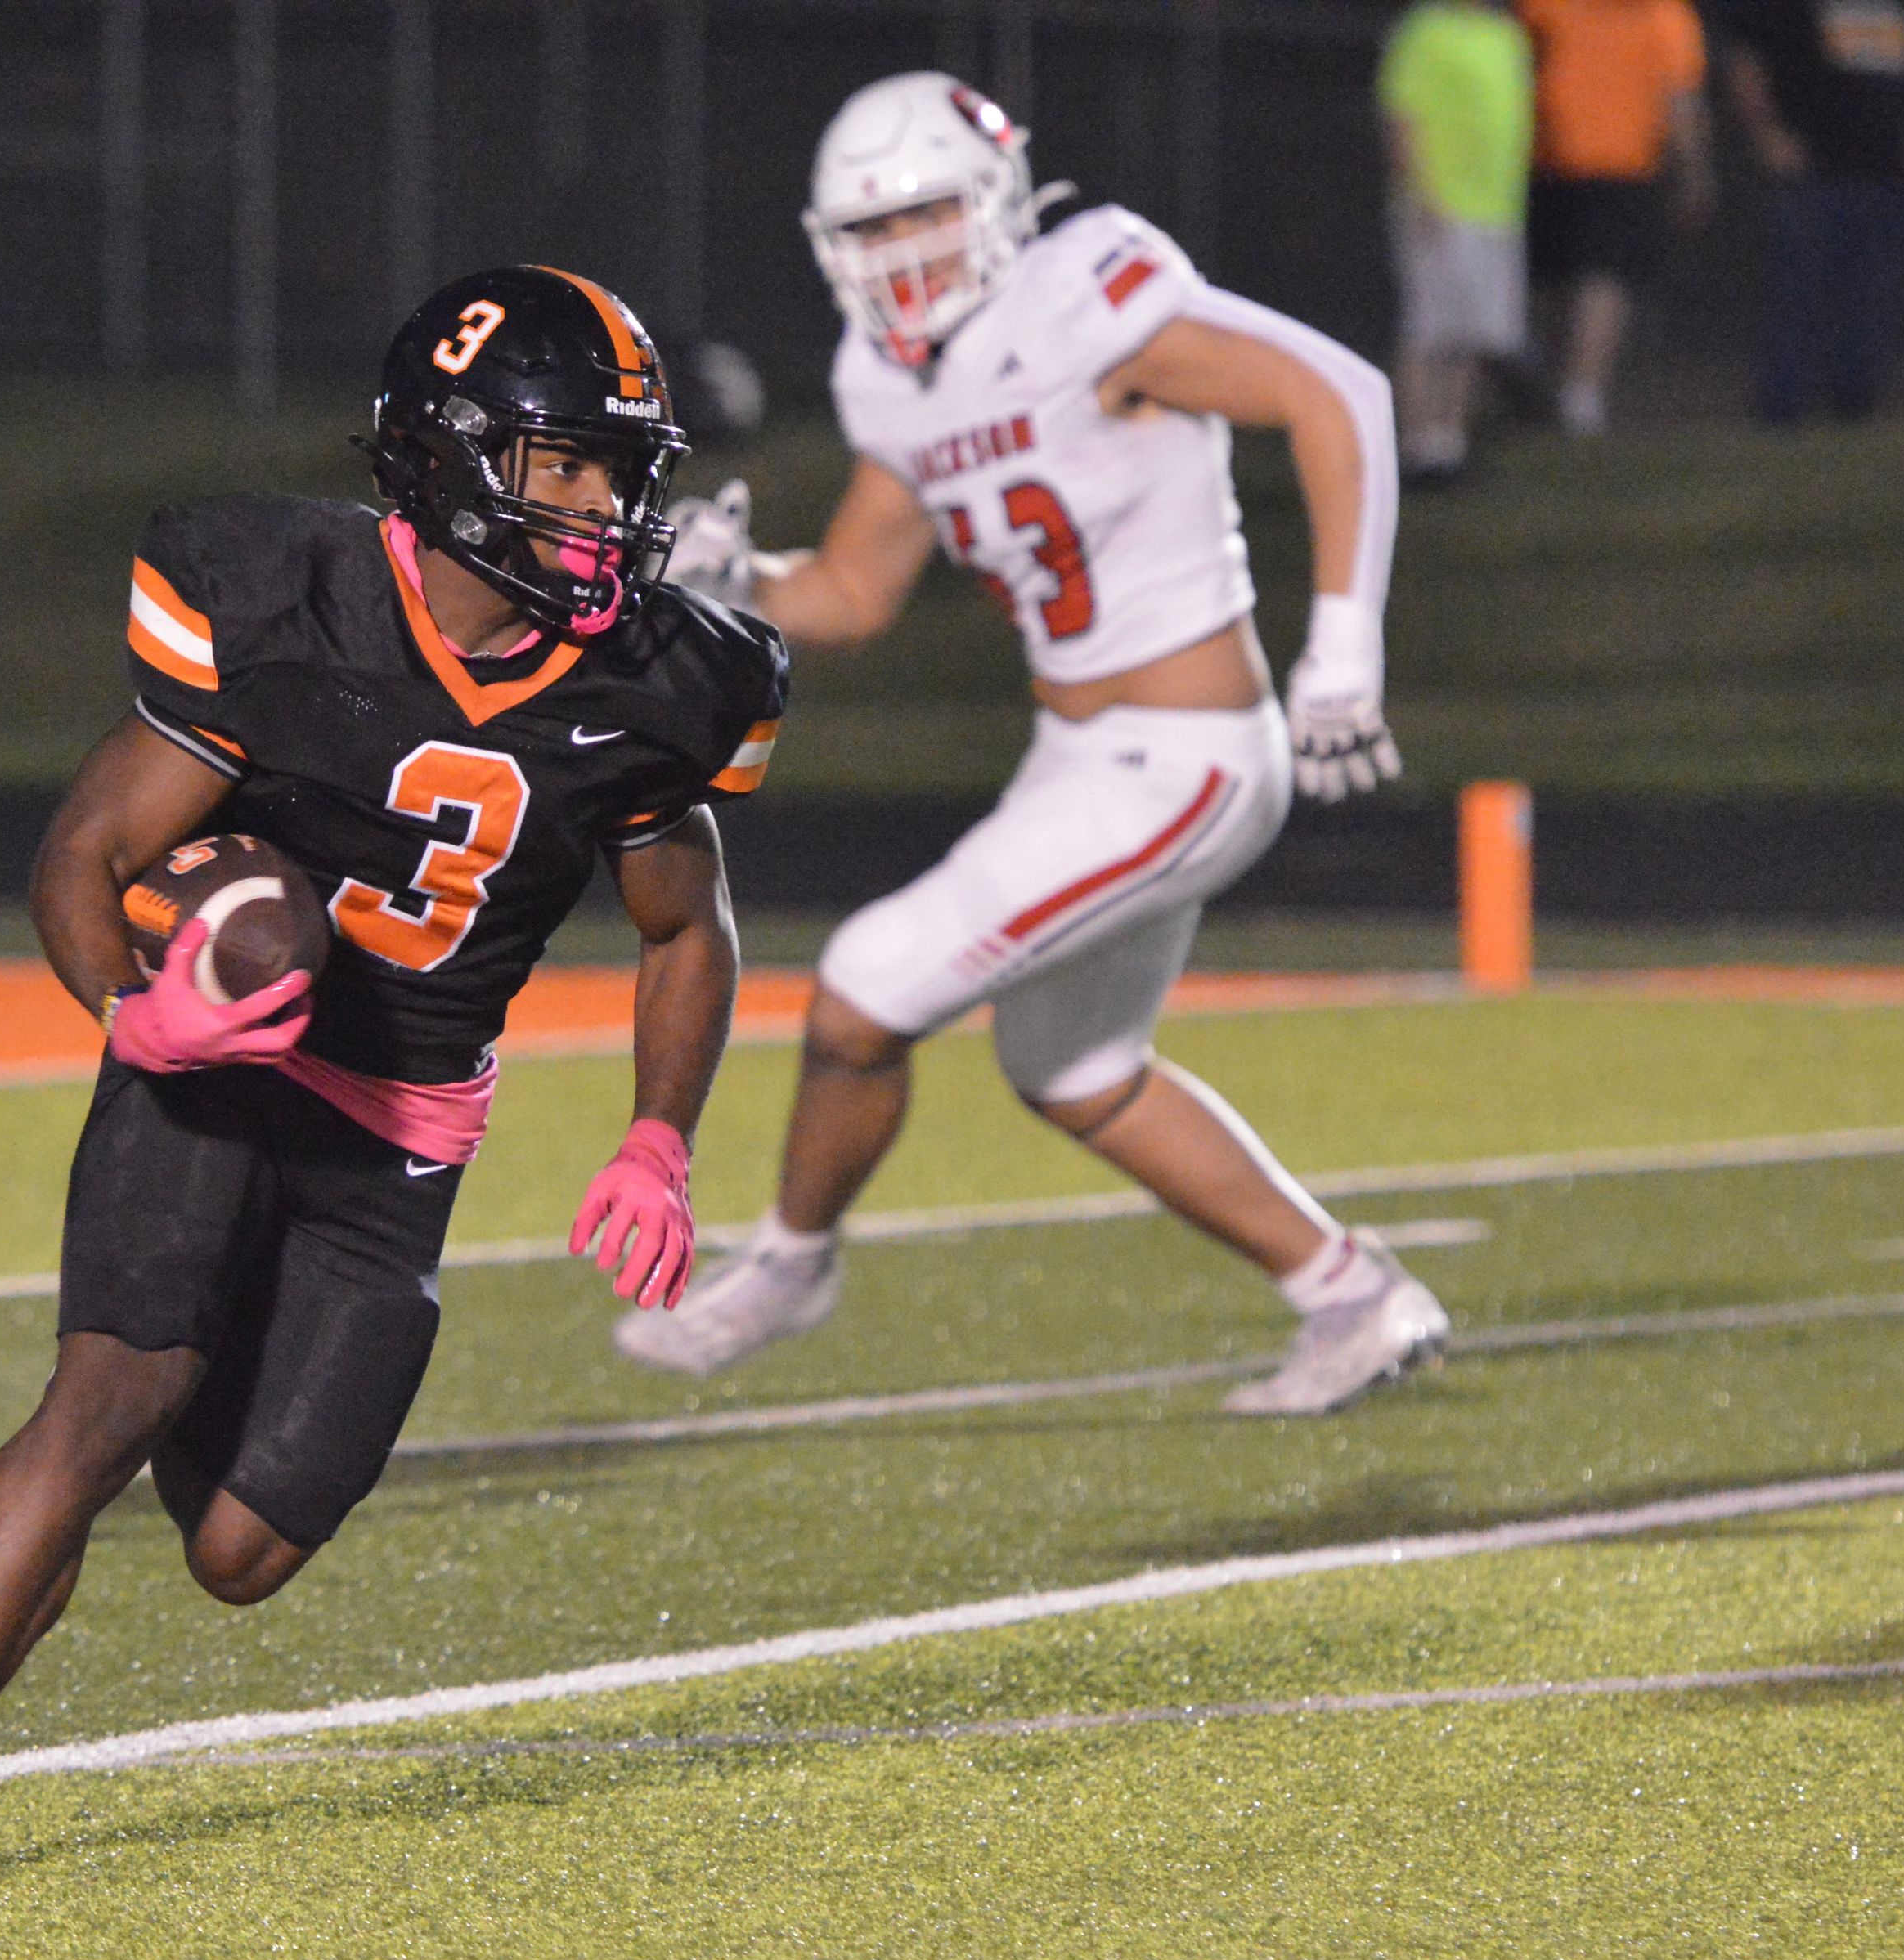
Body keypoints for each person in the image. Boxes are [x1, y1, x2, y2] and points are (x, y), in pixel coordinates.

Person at [0, 267, 790, 1898]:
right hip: (220, 1069)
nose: (610, 510)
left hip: (401, 1129)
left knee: (241, 1553)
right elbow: (86, 850)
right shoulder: (283, 593)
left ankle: (209, 1377)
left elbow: (686, 926)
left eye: (626, 473)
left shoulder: (663, 685)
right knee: (107, 1396)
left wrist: (659, 1139)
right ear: (457, 457)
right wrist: (136, 1011)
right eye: (571, 471)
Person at [622, 73, 1448, 1413]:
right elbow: (854, 589)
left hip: (1187, 753)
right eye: (872, 233)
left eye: (928, 217)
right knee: (1072, 1065)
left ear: (996, 200)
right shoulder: (887, 376)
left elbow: (1336, 390)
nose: (903, 257)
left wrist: (1344, 646)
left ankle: (791, 1256)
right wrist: (741, 579)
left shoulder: (1087, 296)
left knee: (862, 986)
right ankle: (1350, 1291)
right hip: (1083, 760)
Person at [1721, 0, 1904, 422]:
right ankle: (1782, 408)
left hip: (1888, 173)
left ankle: (1855, 404)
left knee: (1872, 295)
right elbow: (1747, 59)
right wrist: (1767, 136)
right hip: (1815, 173)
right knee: (1800, 293)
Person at [1518, 0, 1715, 433]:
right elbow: (1680, 101)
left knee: (1558, 281)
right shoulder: (1665, 15)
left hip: (1553, 156)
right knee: (1601, 281)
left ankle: (1554, 389)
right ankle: (1578, 394)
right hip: (1614, 162)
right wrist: (1694, 171)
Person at [1379, 0, 1538, 482]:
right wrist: (1419, 192)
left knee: (1473, 331)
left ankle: (1446, 446)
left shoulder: (1506, 36)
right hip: (1442, 205)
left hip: (1497, 208)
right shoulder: (1426, 29)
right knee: (1430, 329)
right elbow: (1401, 116)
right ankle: (1414, 446)